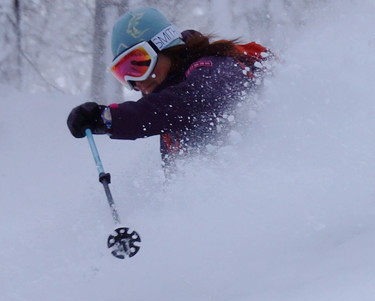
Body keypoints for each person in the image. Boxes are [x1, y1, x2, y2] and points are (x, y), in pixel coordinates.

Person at [67, 7, 272, 177]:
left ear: (165, 47)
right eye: (124, 74)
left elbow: (191, 101)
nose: (136, 82)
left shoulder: (216, 67)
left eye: (138, 64)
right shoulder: (170, 126)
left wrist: (109, 118)